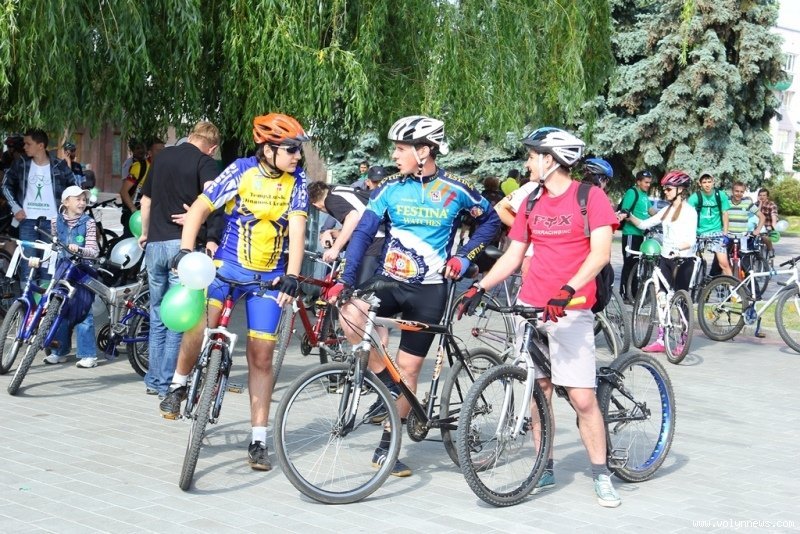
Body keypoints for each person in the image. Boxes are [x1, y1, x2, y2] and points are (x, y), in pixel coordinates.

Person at [459, 126, 622, 508]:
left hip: (571, 309)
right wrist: (479, 287)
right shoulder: (531, 200)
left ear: (550, 160)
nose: (528, 163)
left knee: (582, 399)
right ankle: (543, 465)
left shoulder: (590, 197)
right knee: (538, 389)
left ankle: (601, 473)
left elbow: (600, 254)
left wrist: (568, 289)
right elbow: (514, 255)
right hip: (531, 307)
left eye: (532, 156)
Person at [330, 115, 501, 478]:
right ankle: (390, 387)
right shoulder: (389, 188)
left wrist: (463, 256)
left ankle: (387, 446)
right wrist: (346, 279)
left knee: (410, 368)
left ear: (423, 151)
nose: (394, 155)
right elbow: (363, 233)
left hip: (431, 290)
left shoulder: (456, 189)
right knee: (350, 313)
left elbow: (490, 222)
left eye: (400, 148)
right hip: (389, 281)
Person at [159, 113, 309, 473]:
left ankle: (258, 440)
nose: (297, 156)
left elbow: (298, 231)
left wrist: (292, 274)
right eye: (291, 149)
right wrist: (184, 250)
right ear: (268, 149)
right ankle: (178, 384)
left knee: (261, 356)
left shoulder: (298, 182)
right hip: (225, 268)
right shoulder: (240, 170)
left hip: (268, 279)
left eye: (298, 150)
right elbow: (200, 207)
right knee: (200, 324)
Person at [138, 123, 221, 398]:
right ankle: (166, 382)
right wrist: (199, 219)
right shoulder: (204, 162)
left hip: (154, 245)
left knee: (157, 313)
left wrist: (145, 233)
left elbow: (145, 202)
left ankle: (153, 380)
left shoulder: (162, 157)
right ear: (212, 147)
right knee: (178, 316)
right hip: (181, 246)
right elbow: (214, 199)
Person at [623, 171, 697, 353]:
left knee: (681, 300)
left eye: (669, 188)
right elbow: (644, 224)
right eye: (664, 188)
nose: (665, 191)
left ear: (681, 190)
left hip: (683, 259)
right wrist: (627, 215)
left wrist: (678, 249)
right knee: (661, 297)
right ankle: (661, 339)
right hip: (665, 258)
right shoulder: (666, 210)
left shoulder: (689, 212)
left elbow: (691, 240)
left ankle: (682, 341)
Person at [35, 186, 100, 368]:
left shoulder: (88, 222)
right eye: (77, 199)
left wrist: (79, 250)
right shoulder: (55, 221)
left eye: (84, 200)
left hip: (82, 272)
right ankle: (59, 351)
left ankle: (88, 355)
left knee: (84, 311)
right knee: (59, 310)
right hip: (63, 270)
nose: (82, 203)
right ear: (66, 202)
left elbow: (93, 251)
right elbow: (54, 245)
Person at [1, 128, 76, 282]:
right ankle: (26, 297)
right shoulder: (20, 164)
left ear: (40, 145)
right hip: (27, 221)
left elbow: (74, 187)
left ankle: (43, 297)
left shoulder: (58, 165)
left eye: (28, 144)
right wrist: (15, 207)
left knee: (48, 265)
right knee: (27, 263)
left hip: (52, 222)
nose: (24, 147)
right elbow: (5, 185)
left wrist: (67, 212)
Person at [308, 181, 386, 286]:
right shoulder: (338, 191)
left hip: (375, 238)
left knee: (361, 287)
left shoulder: (329, 201)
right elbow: (357, 221)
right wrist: (331, 233)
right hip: (378, 233)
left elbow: (353, 217)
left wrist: (335, 249)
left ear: (316, 205)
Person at [618, 169, 656, 302]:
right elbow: (625, 213)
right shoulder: (632, 192)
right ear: (638, 182)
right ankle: (625, 294)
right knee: (629, 264)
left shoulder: (644, 195)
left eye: (649, 183)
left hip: (641, 235)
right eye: (646, 182)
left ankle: (633, 294)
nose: (648, 185)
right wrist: (639, 224)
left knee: (637, 265)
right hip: (631, 234)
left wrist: (663, 217)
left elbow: (651, 211)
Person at [687, 171, 731, 276]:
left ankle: (733, 286)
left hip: (716, 232)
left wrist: (725, 233)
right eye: (704, 182)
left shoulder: (720, 195)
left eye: (709, 182)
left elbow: (725, 214)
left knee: (724, 263)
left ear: (713, 182)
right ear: (700, 184)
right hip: (699, 233)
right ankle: (695, 283)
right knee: (693, 262)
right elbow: (687, 215)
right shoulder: (695, 197)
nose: (707, 185)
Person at [756, 187, 778, 258]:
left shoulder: (771, 205)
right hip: (757, 226)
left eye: (764, 195)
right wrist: (760, 204)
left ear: (767, 196)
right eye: (760, 195)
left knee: (764, 237)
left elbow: (774, 216)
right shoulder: (755, 204)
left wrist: (773, 227)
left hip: (767, 226)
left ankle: (770, 250)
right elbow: (756, 214)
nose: (762, 197)